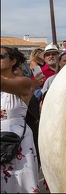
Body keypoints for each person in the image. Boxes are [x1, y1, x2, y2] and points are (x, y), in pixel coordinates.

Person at [1, 47, 39, 193]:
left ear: (13, 61)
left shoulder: (24, 82)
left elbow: (4, 84)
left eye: (0, 55)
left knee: (21, 186)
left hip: (17, 143)